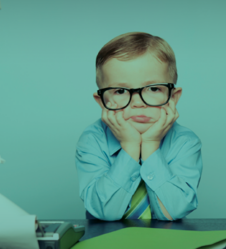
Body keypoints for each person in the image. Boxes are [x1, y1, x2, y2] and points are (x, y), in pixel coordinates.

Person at [75, 32, 202, 221]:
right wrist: (130, 147)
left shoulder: (185, 142)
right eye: (120, 90)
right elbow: (104, 212)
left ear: (173, 97)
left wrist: (150, 146)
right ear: (102, 101)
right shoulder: (93, 139)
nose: (137, 103)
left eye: (153, 88)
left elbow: (174, 212)